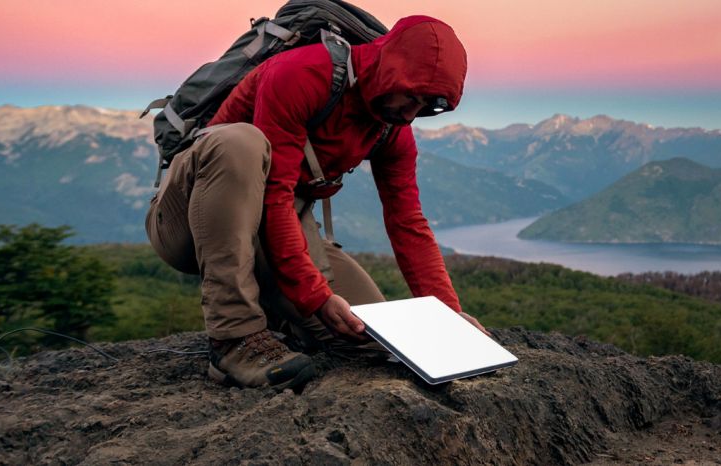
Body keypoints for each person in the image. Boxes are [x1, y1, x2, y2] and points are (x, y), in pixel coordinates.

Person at [146, 15, 488, 391]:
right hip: (189, 221)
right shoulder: (302, 74)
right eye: (411, 95)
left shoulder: (392, 129)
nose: (411, 114)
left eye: (426, 106)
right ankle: (233, 338)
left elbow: (408, 222)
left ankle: (280, 320)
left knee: (368, 333)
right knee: (240, 143)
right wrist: (316, 297)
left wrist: (447, 315)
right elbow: (274, 197)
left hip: (274, 228)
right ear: (391, 69)